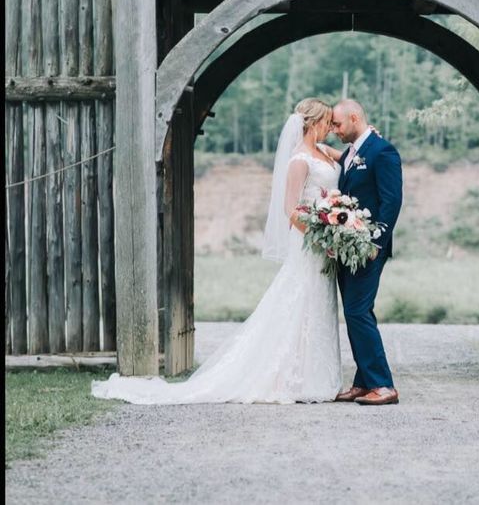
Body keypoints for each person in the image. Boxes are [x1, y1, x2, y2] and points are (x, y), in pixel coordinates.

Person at [91, 98, 343, 404]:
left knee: (318, 305)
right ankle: (289, 378)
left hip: (326, 242)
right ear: (313, 123)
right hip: (310, 243)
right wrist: (321, 235)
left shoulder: (324, 151)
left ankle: (314, 375)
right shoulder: (299, 160)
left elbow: (350, 157)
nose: (330, 128)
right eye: (327, 122)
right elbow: (291, 209)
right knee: (300, 304)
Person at [321, 99, 403, 405]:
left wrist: (375, 244)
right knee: (355, 312)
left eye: (338, 124)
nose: (334, 129)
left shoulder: (383, 152)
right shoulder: (352, 152)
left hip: (369, 248)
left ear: (354, 118)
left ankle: (383, 385)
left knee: (357, 311)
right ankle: (363, 382)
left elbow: (391, 201)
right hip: (348, 247)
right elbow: (341, 167)